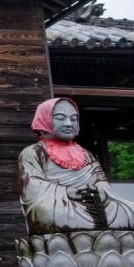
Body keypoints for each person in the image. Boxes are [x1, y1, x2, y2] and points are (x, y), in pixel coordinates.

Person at [19, 97, 134, 234]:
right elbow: (32, 186)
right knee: (46, 212)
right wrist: (68, 192)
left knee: (130, 210)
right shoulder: (33, 152)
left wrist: (99, 191)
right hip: (61, 204)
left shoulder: (86, 154)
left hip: (93, 200)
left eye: (73, 119)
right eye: (60, 118)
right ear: (44, 120)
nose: (68, 123)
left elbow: (101, 182)